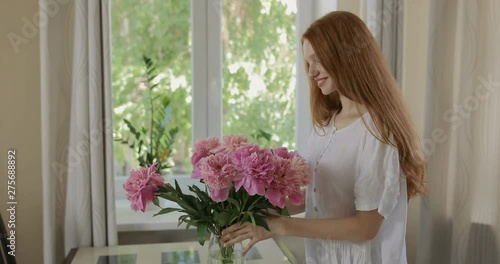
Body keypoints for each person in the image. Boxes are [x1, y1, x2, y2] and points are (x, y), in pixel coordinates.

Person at [221, 11, 427, 264]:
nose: (311, 72)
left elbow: (366, 227)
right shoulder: (326, 125)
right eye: (309, 63)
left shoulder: (378, 132)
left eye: (317, 60)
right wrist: (253, 212)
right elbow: (316, 197)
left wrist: (280, 226)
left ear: (346, 56)